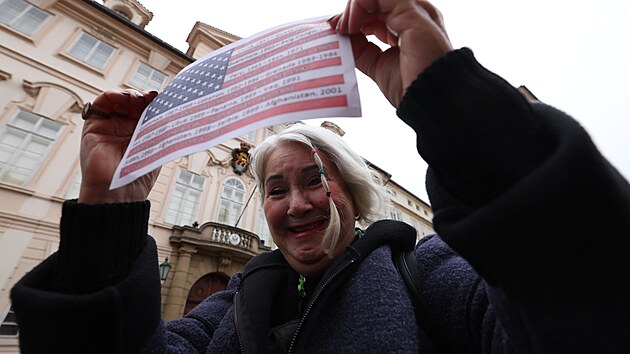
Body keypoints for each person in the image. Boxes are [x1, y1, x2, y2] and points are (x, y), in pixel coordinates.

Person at [10, 0, 630, 352]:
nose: (296, 202)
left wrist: (455, 109)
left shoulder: (430, 276)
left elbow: (587, 313)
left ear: (355, 198)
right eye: (275, 189)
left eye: (314, 180)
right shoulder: (224, 313)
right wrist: (107, 216)